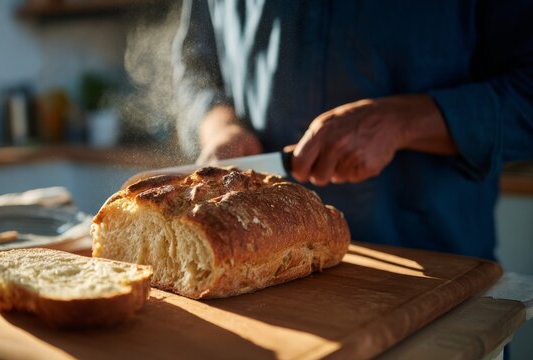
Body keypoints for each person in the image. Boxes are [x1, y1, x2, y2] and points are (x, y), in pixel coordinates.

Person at [171, 0, 533, 260]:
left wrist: (406, 121)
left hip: (435, 272)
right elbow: (195, 63)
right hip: (256, 268)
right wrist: (218, 124)